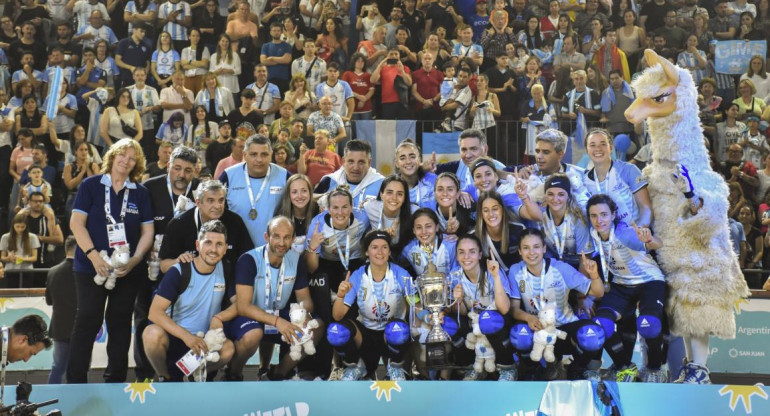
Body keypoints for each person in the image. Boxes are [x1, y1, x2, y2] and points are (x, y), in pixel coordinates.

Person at [67, 138, 154, 383]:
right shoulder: (91, 185)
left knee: (120, 322)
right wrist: (93, 256)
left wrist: (136, 259)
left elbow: (148, 232)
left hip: (127, 270)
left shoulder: (141, 192)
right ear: (113, 156)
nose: (126, 161)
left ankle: (115, 380)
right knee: (88, 319)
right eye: (122, 155)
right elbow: (76, 224)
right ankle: (75, 382)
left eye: (132, 158)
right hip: (90, 267)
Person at [227, 216, 324, 381]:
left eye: (287, 237)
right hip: (251, 316)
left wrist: (304, 314)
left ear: (293, 239)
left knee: (317, 327)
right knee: (252, 335)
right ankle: (233, 374)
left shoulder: (296, 259)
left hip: (278, 315)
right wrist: (277, 322)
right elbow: (243, 307)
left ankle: (278, 372)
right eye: (276, 236)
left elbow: (305, 299)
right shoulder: (248, 260)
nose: (281, 242)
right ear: (267, 237)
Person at [503, 228, 605, 381]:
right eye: (526, 248)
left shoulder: (560, 268)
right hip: (538, 330)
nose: (532, 252)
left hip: (564, 329)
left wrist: (594, 275)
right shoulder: (515, 271)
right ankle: (534, 368)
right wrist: (528, 318)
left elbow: (598, 293)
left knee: (592, 335)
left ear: (544, 248)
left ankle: (577, 368)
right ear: (519, 251)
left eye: (536, 247)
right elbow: (514, 309)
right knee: (519, 335)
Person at [586, 194, 669, 383]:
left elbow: (658, 243)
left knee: (648, 324)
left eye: (604, 215)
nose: (599, 220)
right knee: (600, 325)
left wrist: (648, 239)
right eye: (594, 216)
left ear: (614, 214)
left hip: (649, 282)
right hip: (622, 285)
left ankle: (655, 369)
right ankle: (624, 366)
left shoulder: (625, 233)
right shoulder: (592, 236)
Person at [143, 219, 236, 381]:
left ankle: (197, 374)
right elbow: (154, 313)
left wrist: (219, 317)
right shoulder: (179, 270)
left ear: (226, 248)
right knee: (151, 334)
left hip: (205, 342)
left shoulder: (227, 269)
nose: (213, 249)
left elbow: (239, 304)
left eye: (219, 244)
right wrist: (187, 337)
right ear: (198, 245)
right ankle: (165, 378)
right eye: (208, 243)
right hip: (177, 339)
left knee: (228, 348)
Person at [330, 230, 413, 381]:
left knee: (399, 330)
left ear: (389, 251)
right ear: (367, 252)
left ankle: (395, 367)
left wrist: (426, 319)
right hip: (366, 335)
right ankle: (355, 366)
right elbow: (338, 315)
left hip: (391, 334)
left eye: (384, 247)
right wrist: (340, 296)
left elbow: (416, 305)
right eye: (374, 247)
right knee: (336, 332)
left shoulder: (401, 273)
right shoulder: (358, 275)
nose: (380, 252)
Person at [446, 234, 516, 380]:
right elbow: (462, 313)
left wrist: (496, 276)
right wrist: (458, 301)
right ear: (457, 255)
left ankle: (507, 367)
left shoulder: (492, 270)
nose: (466, 256)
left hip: (496, 322)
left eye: (472, 251)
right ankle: (471, 367)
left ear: (479, 255)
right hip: (474, 322)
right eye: (461, 252)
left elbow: (504, 309)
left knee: (488, 320)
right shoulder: (454, 276)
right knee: (449, 323)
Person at [219, 135, 288, 247]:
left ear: (271, 155)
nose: (259, 159)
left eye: (264, 154)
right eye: (253, 154)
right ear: (245, 155)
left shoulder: (284, 175)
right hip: (236, 248)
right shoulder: (228, 175)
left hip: (273, 249)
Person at [582, 128, 652, 227]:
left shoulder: (629, 170)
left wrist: (638, 233)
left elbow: (646, 209)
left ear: (611, 147)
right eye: (592, 145)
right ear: (586, 150)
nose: (598, 149)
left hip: (632, 235)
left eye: (603, 144)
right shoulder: (584, 181)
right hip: (603, 240)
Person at [314, 139, 384, 209]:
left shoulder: (382, 184)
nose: (356, 168)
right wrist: (327, 196)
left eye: (361, 162)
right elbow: (311, 198)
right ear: (343, 161)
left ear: (369, 163)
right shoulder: (330, 180)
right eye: (351, 162)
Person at [45, 235, 77, 384]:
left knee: (57, 367)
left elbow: (48, 300)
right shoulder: (83, 272)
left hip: (59, 326)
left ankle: (50, 398)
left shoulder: (52, 271)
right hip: (80, 327)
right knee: (79, 368)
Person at [362, 175, 414, 256]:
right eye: (389, 192)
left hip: (405, 260)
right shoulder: (370, 207)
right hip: (379, 257)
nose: (394, 198)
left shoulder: (414, 212)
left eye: (399, 194)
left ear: (405, 198)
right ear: (381, 195)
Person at [400, 208, 458, 277]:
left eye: (428, 226)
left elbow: (458, 275)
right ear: (414, 230)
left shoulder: (451, 245)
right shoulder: (408, 249)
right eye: (419, 227)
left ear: (437, 227)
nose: (424, 232)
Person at [274, 173, 320, 254]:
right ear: (289, 195)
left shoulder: (317, 210)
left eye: (304, 191)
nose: (299, 196)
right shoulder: (281, 215)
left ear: (310, 192)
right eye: (294, 192)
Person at [22, 192, 64, 270]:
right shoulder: (23, 217)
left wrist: (40, 238)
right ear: (29, 202)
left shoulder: (49, 217)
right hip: (25, 261)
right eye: (35, 201)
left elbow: (60, 239)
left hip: (45, 261)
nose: (38, 204)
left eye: (40, 201)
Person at [63, 140, 100, 219]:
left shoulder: (94, 166)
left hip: (90, 195)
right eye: (81, 149)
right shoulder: (69, 167)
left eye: (86, 150)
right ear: (75, 152)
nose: (84, 152)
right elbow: (70, 185)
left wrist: (87, 168)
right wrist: (82, 172)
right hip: (75, 195)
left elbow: (95, 185)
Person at [261, 22, 293, 94]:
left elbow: (287, 60)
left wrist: (271, 58)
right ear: (270, 32)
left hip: (283, 79)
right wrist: (281, 60)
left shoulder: (286, 45)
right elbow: (263, 61)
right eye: (274, 31)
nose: (276, 32)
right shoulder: (265, 46)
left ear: (281, 32)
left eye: (278, 31)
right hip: (269, 79)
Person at [209, 34, 241, 100]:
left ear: (229, 43)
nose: (224, 43)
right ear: (219, 42)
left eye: (227, 41)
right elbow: (210, 73)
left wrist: (229, 71)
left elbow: (239, 70)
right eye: (222, 41)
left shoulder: (235, 55)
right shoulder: (213, 56)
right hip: (218, 88)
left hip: (231, 88)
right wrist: (216, 72)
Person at [180, 27, 211, 95]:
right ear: (189, 37)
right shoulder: (185, 50)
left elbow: (204, 64)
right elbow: (184, 66)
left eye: (197, 36)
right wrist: (199, 64)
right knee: (189, 98)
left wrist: (189, 62)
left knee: (201, 100)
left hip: (201, 77)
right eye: (193, 36)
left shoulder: (204, 49)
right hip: (188, 77)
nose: (195, 38)